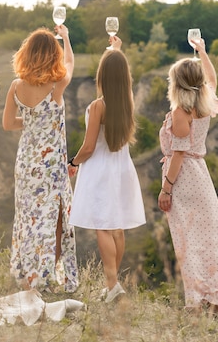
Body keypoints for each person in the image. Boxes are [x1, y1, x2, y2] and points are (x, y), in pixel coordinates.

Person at [67, 36, 146, 303]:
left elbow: (88, 147)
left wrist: (73, 163)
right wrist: (116, 50)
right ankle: (113, 286)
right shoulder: (127, 102)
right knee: (117, 227)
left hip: (100, 170)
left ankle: (112, 286)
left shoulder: (98, 106)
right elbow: (118, 71)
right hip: (122, 168)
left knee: (102, 225)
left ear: (102, 75)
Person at [2, 25, 78, 293]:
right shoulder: (56, 85)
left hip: (26, 163)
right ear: (51, 55)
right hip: (51, 167)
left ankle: (27, 275)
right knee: (54, 220)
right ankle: (44, 279)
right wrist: (66, 37)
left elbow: (8, 124)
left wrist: (34, 122)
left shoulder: (16, 86)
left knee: (28, 219)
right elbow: (69, 62)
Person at [157, 37, 218, 314]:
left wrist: (166, 189)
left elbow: (178, 154)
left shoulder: (181, 112)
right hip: (202, 175)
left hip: (185, 177)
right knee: (208, 238)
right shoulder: (204, 103)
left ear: (176, 84)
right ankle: (213, 300)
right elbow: (212, 79)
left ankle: (195, 303)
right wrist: (202, 52)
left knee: (188, 239)